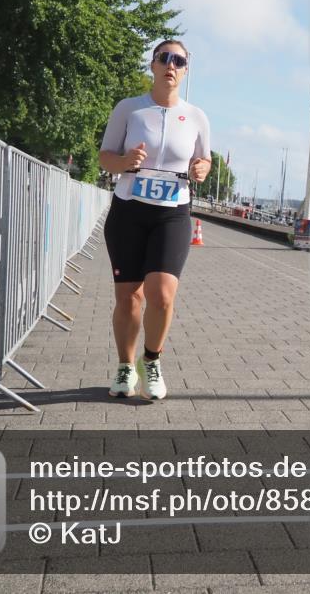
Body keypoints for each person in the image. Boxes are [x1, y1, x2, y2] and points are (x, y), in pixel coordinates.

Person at [98, 39, 211, 399]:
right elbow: (105, 157)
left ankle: (151, 361)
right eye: (165, 58)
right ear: (153, 64)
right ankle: (125, 367)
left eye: (179, 61)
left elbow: (204, 161)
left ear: (185, 70)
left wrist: (202, 168)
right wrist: (124, 162)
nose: (171, 65)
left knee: (161, 295)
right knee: (129, 297)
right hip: (128, 210)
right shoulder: (129, 109)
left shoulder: (197, 117)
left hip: (172, 214)